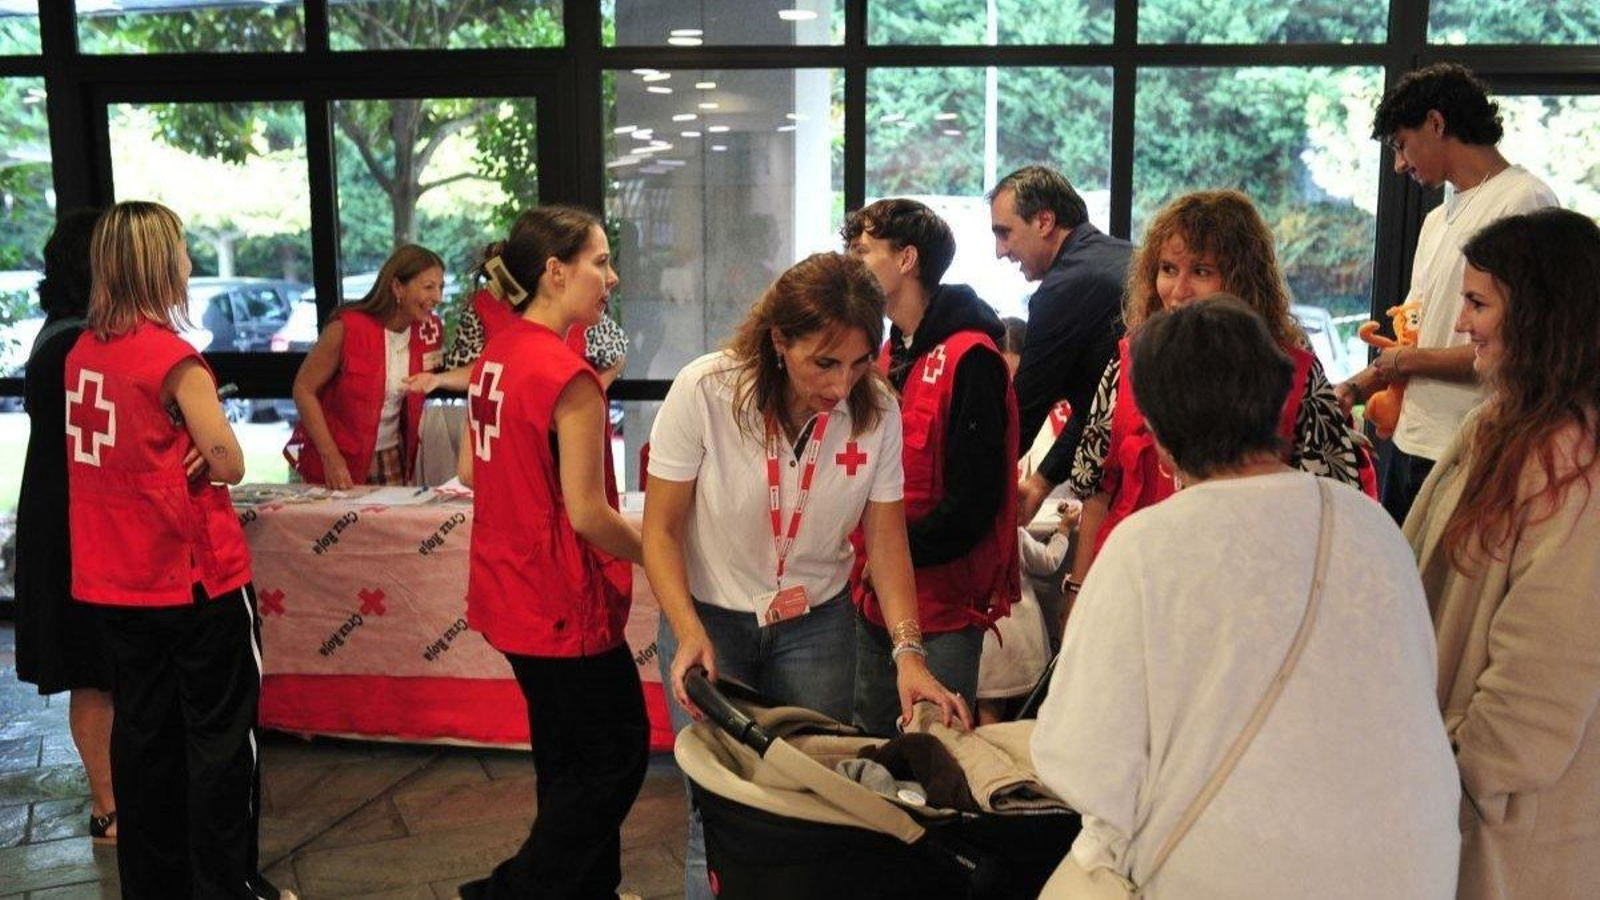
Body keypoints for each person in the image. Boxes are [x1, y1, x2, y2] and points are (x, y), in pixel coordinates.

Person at [1033, 296, 1460, 898]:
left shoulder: (1145, 546)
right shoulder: (1371, 528)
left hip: (1234, 870)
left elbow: (1081, 762)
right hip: (1418, 860)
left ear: (1157, 433)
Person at [644, 251, 970, 899]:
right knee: (718, 811)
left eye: (858, 362)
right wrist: (686, 630)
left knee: (809, 804)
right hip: (709, 622)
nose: (842, 384)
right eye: (824, 362)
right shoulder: (707, 391)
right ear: (778, 341)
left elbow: (885, 537)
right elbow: (660, 530)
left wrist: (909, 652)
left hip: (816, 626)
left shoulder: (875, 409)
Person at [65, 201, 288, 899]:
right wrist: (205, 443)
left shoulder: (82, 353)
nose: (190, 260)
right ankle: (226, 887)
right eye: (185, 249)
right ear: (164, 266)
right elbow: (227, 461)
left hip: (115, 581)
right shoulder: (172, 358)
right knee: (222, 745)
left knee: (145, 741)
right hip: (195, 579)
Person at [1404, 208, 1600, 899]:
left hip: (1511, 830)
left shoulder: (1576, 463)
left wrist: (1458, 772)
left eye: (1479, 303)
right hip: (1452, 800)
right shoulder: (1499, 423)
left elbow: (1542, 684)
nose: (1462, 325)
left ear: (1544, 316)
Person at [455, 205, 648, 899]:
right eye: (600, 262)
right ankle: (513, 890)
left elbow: (471, 472)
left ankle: (588, 890)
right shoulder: (568, 378)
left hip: (511, 593)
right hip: (562, 602)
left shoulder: (497, 357)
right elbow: (591, 516)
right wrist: (662, 554)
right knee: (615, 761)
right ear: (555, 271)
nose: (612, 277)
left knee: (566, 761)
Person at [1065, 190, 1364, 615]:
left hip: (1255, 592)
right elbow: (1096, 489)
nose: (1179, 290)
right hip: (1136, 583)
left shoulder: (1293, 373)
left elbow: (1332, 502)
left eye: (1201, 271)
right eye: (1168, 269)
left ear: (1242, 279)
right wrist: (1077, 592)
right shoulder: (1131, 363)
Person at [1337, 63, 1559, 523]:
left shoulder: (1524, 201)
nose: (1399, 164)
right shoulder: (1437, 219)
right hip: (1407, 442)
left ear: (1436, 124)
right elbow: (1416, 339)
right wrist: (1357, 386)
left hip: (1469, 447)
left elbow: (1522, 344)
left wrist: (1410, 361)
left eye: (1401, 144)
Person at [841, 198, 1019, 736]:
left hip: (941, 607)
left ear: (907, 259)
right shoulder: (884, 356)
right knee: (869, 751)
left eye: (862, 249)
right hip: (871, 599)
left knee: (932, 753)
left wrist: (894, 554)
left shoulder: (972, 359)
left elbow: (975, 501)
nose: (850, 262)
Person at [14, 208, 117, 844]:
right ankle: (109, 806)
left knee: (104, 669)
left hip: (69, 516)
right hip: (77, 525)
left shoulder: (66, 334)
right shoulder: (77, 346)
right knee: (96, 669)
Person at [988, 165, 1132, 524]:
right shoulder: (1120, 256)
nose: (1000, 251)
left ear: (1044, 221)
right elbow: (1097, 407)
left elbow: (1020, 415)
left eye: (1005, 233)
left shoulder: (1065, 287)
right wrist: (1040, 481)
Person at [287, 244, 446, 488]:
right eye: (429, 287)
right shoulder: (347, 328)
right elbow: (303, 389)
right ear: (397, 287)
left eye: (440, 287)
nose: (438, 298)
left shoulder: (430, 331)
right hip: (336, 458)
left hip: (391, 455)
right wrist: (331, 457)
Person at [410, 239, 629, 393]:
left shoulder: (576, 307)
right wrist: (437, 380)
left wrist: (591, 397)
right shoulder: (482, 307)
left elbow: (617, 350)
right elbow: (478, 371)